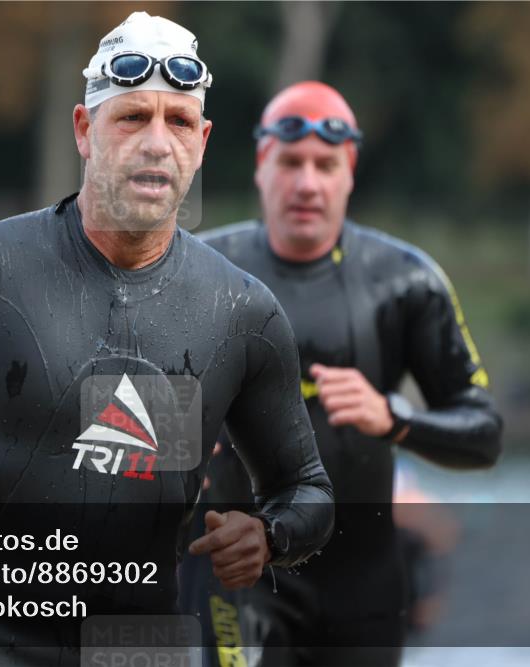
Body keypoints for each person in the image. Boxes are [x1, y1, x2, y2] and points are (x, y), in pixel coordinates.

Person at [0, 12, 334, 667]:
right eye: (131, 117)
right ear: (85, 131)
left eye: (177, 122)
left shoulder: (241, 312)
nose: (155, 141)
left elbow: (307, 487)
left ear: (201, 142)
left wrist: (269, 533)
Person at [191, 81, 503, 666]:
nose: (307, 182)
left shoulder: (405, 282)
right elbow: (112, 404)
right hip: (239, 574)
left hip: (363, 588)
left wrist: (394, 418)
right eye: (290, 162)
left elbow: (484, 433)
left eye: (325, 164)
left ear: (350, 171)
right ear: (261, 166)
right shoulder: (200, 271)